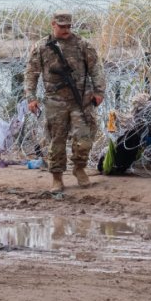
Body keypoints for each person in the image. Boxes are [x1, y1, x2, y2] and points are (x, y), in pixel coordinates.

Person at [24, 10, 106, 192]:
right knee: (56, 142)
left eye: (69, 26)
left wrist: (99, 91)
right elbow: (31, 73)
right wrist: (31, 97)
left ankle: (79, 168)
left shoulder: (82, 45)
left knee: (84, 139)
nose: (66, 30)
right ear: (53, 24)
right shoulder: (42, 47)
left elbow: (96, 69)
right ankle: (57, 177)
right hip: (55, 102)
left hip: (81, 101)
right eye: (62, 26)